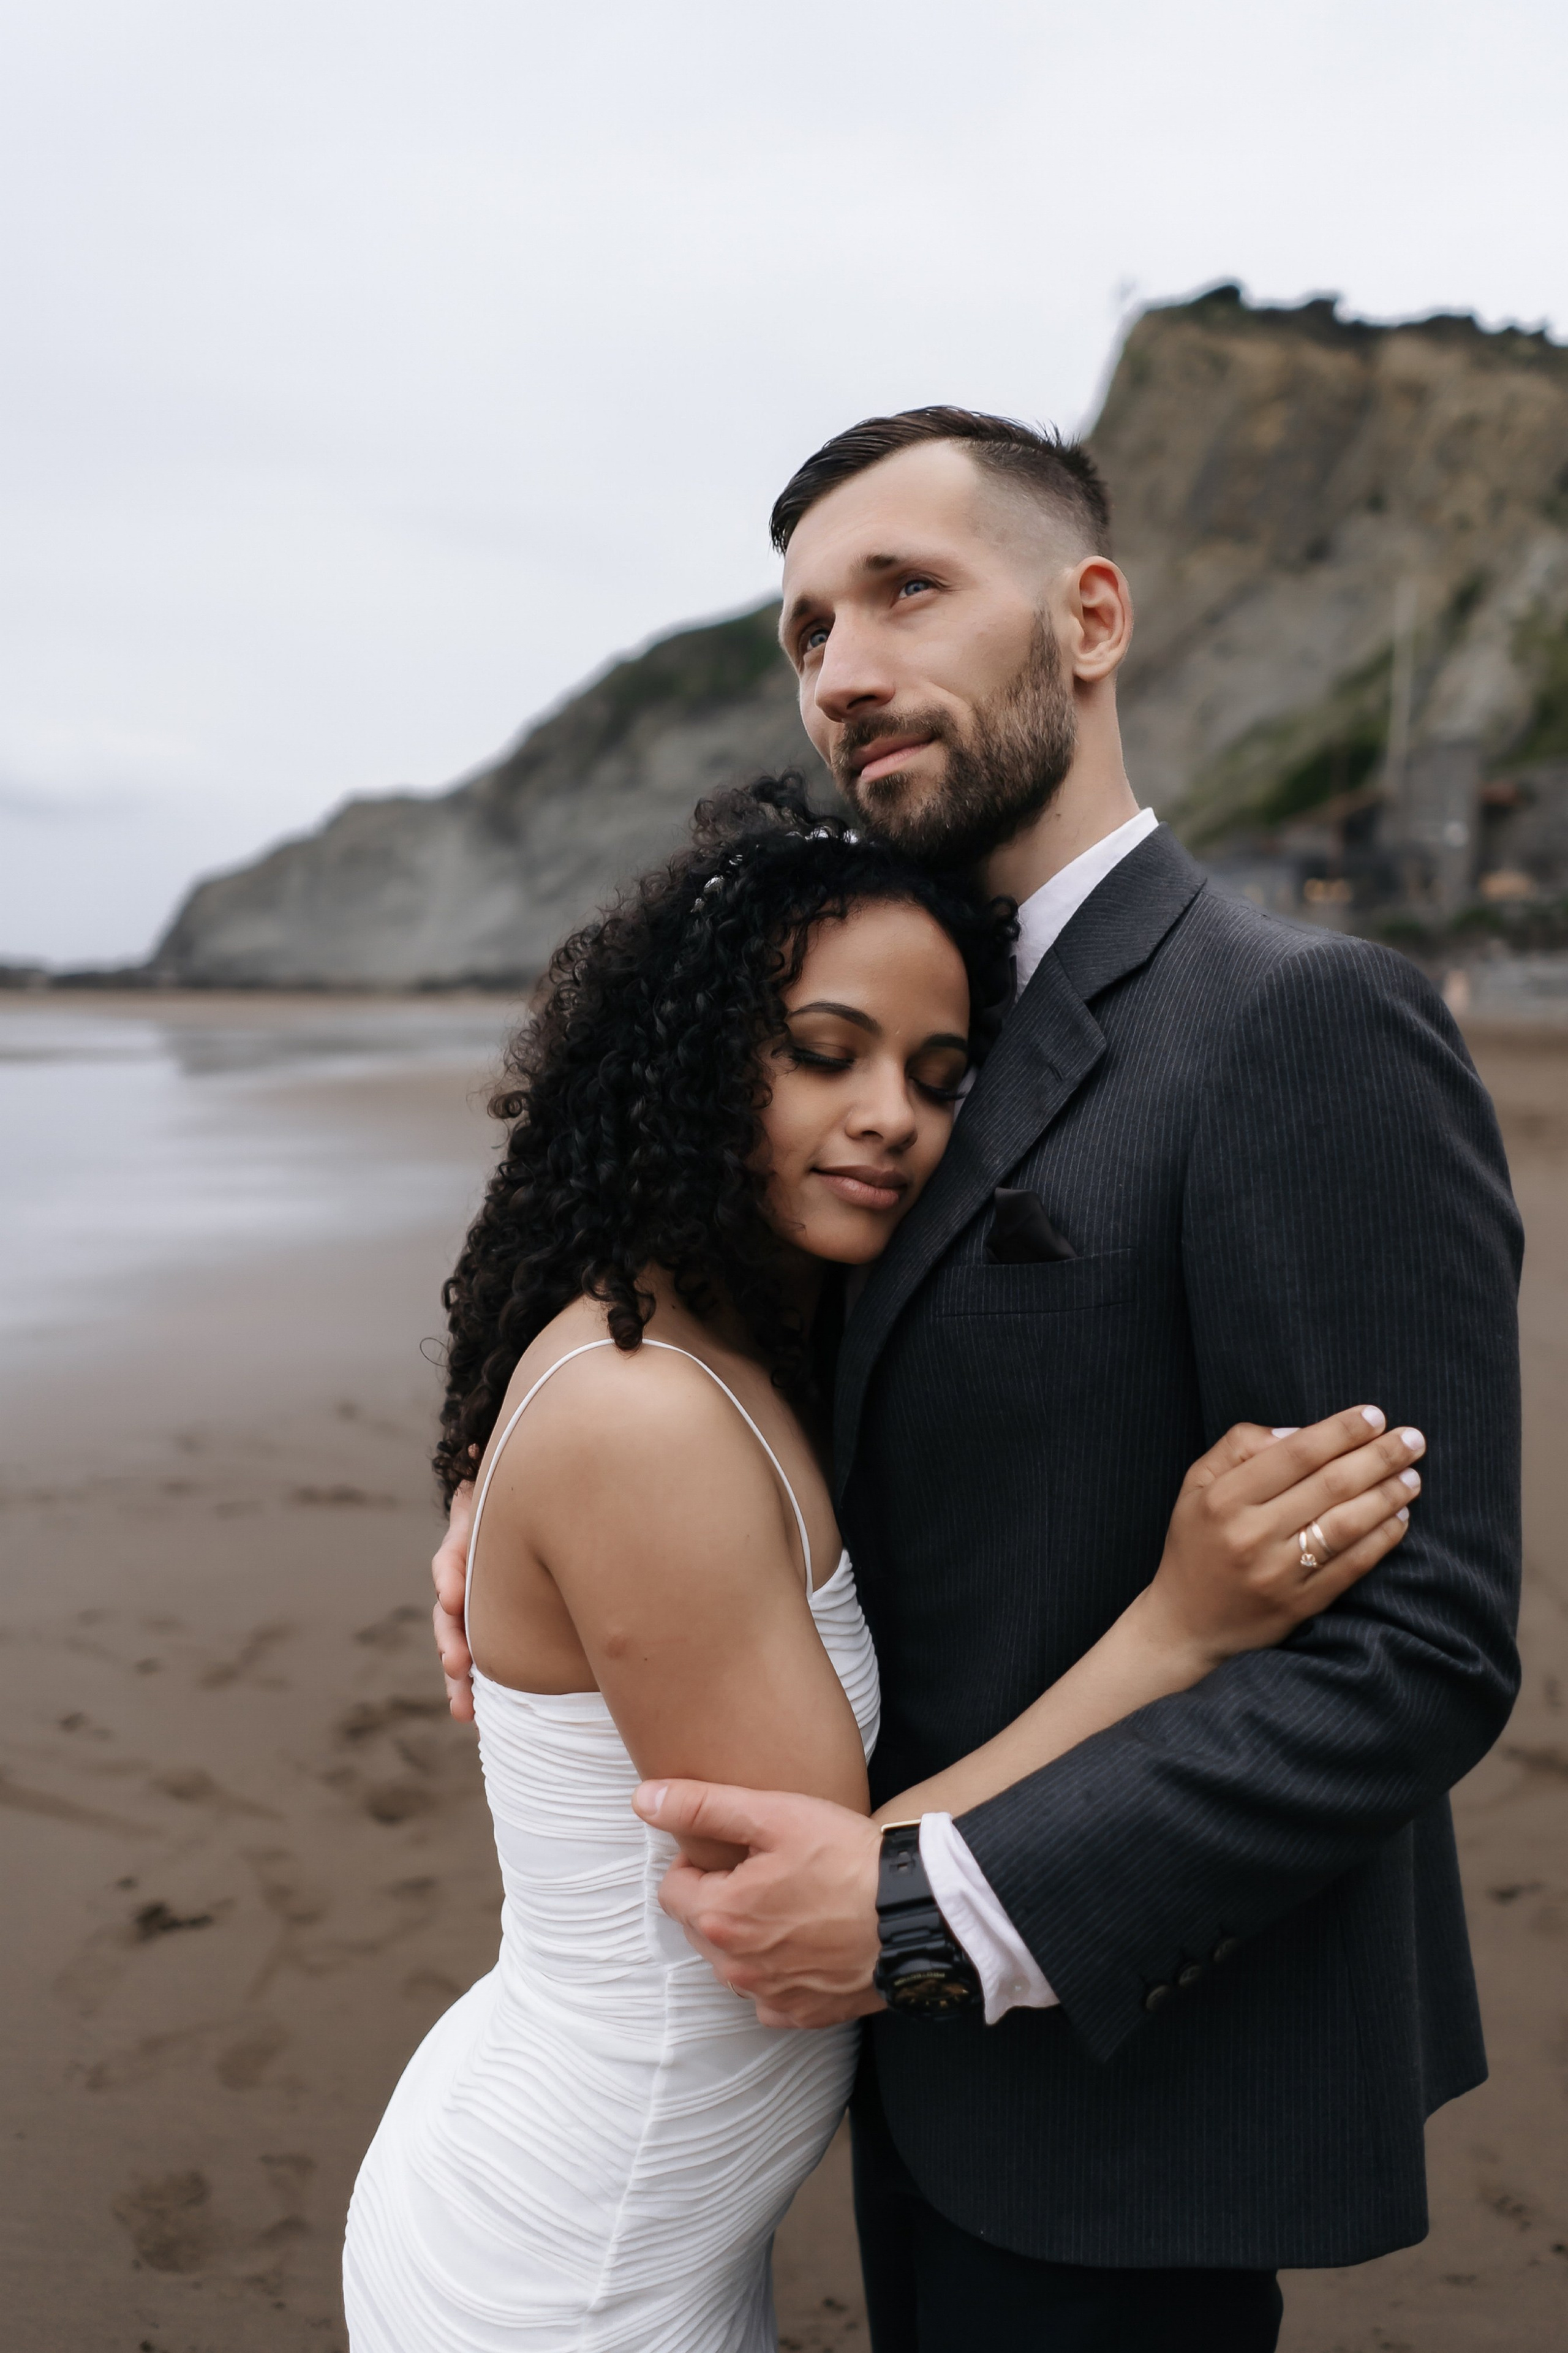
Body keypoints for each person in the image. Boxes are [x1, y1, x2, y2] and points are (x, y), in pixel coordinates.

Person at [430, 410, 1523, 2351]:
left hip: (1122, 2088)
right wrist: (503, 1511)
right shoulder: (916, 1033)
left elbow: (1416, 1645)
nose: (843, 667)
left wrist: (945, 1909)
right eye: (803, 632)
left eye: (906, 591)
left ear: (1089, 617)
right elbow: (723, 1344)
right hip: (888, 2104)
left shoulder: (1296, 1025)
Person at [350, 780, 1422, 2353]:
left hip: (655, 2203)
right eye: (822, 1052)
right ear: (694, 1051)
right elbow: (823, 1903)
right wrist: (1173, 1629)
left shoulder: (740, 1330)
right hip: (568, 2251)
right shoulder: (645, 1412)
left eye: (938, 1077)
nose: (891, 1119)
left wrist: (474, 1486)